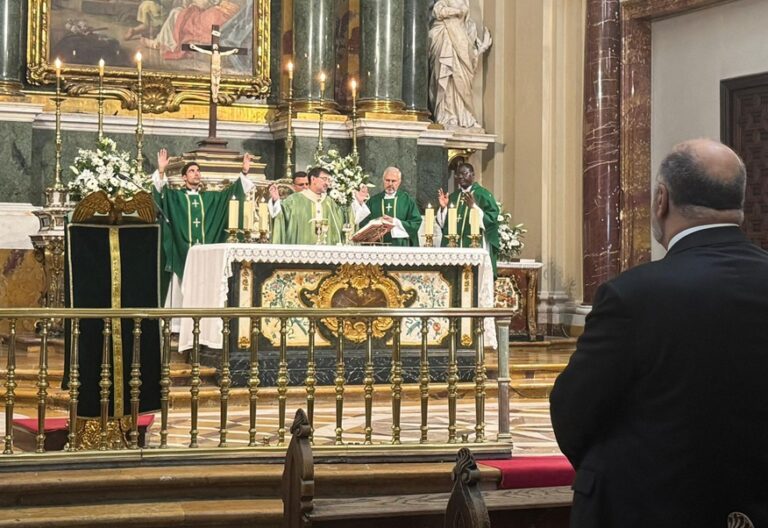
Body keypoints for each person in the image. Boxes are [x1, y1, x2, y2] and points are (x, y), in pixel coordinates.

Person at [549, 139, 768, 527]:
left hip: (649, 507)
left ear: (661, 200)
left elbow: (573, 413)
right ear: (739, 201)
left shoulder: (632, 295)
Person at [152, 148, 254, 306]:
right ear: (184, 177)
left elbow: (231, 195)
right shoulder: (175, 197)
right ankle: (177, 326)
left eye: (198, 170)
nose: (196, 173)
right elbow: (160, 193)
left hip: (205, 252)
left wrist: (244, 172)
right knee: (179, 287)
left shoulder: (210, 198)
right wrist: (161, 170)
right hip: (181, 250)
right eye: (192, 171)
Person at [428, 0, 491, 129]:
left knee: (462, 77)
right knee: (447, 74)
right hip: (446, 37)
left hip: (461, 39)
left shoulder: (465, 2)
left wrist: (482, 47)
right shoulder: (443, 1)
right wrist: (456, 12)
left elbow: (468, 30)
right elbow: (437, 11)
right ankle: (446, 114)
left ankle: (463, 115)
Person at [269, 166, 368, 245]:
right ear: (313, 179)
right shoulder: (294, 200)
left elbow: (346, 220)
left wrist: (358, 202)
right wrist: (276, 200)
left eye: (329, 180)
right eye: (324, 179)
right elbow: (279, 216)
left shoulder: (330, 202)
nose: (327, 183)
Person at [437, 162, 499, 275]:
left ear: (472, 175)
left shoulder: (483, 194)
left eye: (464, 173)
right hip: (454, 249)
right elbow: (443, 225)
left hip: (475, 246)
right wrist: (443, 208)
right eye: (458, 174)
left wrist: (474, 207)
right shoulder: (454, 196)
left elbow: (491, 220)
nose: (460, 177)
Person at [357, 167, 422, 246]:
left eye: (393, 181)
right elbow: (362, 224)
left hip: (401, 248)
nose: (390, 184)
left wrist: (394, 222)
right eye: (387, 180)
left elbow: (415, 223)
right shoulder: (373, 201)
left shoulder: (407, 201)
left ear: (399, 182)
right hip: (378, 249)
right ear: (383, 181)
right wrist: (377, 222)